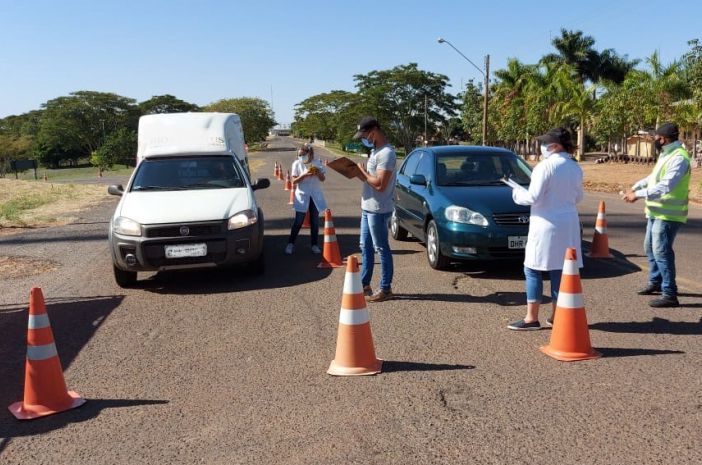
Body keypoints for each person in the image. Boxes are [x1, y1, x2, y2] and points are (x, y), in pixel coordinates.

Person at [507, 127, 584, 330]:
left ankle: (531, 318)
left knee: (532, 269)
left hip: (546, 224)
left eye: (545, 143)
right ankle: (558, 316)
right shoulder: (575, 167)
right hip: (568, 223)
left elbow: (533, 197)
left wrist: (516, 193)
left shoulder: (545, 167)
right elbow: (578, 197)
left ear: (555, 145)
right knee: (561, 270)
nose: (542, 146)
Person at [622, 123, 691, 307]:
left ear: (664, 139)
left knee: (661, 251)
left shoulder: (679, 157)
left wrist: (637, 195)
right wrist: (636, 186)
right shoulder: (666, 154)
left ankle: (670, 293)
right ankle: (656, 282)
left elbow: (666, 186)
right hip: (655, 211)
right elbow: (653, 178)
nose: (654, 141)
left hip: (668, 215)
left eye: (656, 138)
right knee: (650, 248)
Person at [353, 117, 397, 303]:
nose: (364, 138)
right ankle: (364, 284)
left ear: (374, 131)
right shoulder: (375, 151)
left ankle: (386, 288)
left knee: (381, 248)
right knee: (365, 247)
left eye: (365, 135)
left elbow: (379, 184)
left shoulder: (386, 154)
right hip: (368, 207)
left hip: (378, 209)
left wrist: (360, 173)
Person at [285, 144, 327, 255]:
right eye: (299, 155)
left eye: (303, 154)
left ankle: (314, 245)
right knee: (298, 221)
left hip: (314, 196)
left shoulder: (317, 163)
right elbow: (293, 181)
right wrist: (304, 175)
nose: (301, 156)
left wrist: (318, 173)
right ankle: (290, 244)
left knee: (314, 222)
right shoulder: (296, 164)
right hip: (302, 196)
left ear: (310, 153)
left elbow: (323, 179)